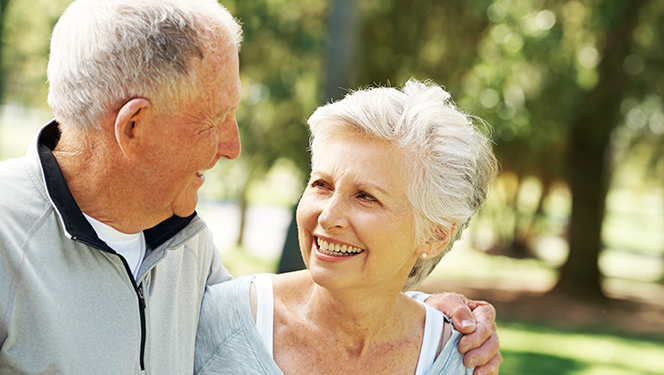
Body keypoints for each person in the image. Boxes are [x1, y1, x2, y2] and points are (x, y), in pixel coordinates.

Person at [0, 1, 500, 374]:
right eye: (215, 119)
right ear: (134, 127)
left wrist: (426, 311)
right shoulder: (8, 237)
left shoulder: (186, 246)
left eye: (366, 196)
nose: (233, 146)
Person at [195, 79, 502, 375]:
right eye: (321, 184)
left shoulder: (460, 356)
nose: (328, 217)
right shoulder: (214, 322)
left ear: (435, 235)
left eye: (366, 197)